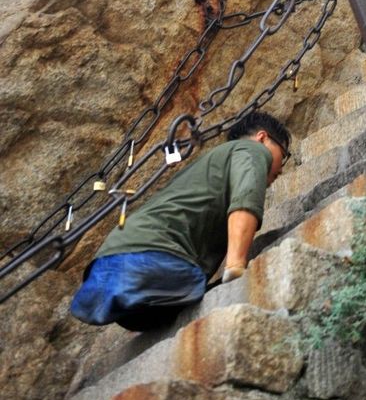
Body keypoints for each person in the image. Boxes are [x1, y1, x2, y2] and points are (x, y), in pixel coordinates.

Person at [70, 111, 290, 332]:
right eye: (284, 154)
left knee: (187, 296)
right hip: (154, 258)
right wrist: (235, 267)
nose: (280, 169)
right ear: (262, 138)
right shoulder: (253, 150)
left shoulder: (208, 165)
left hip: (107, 266)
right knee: (199, 286)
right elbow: (246, 198)